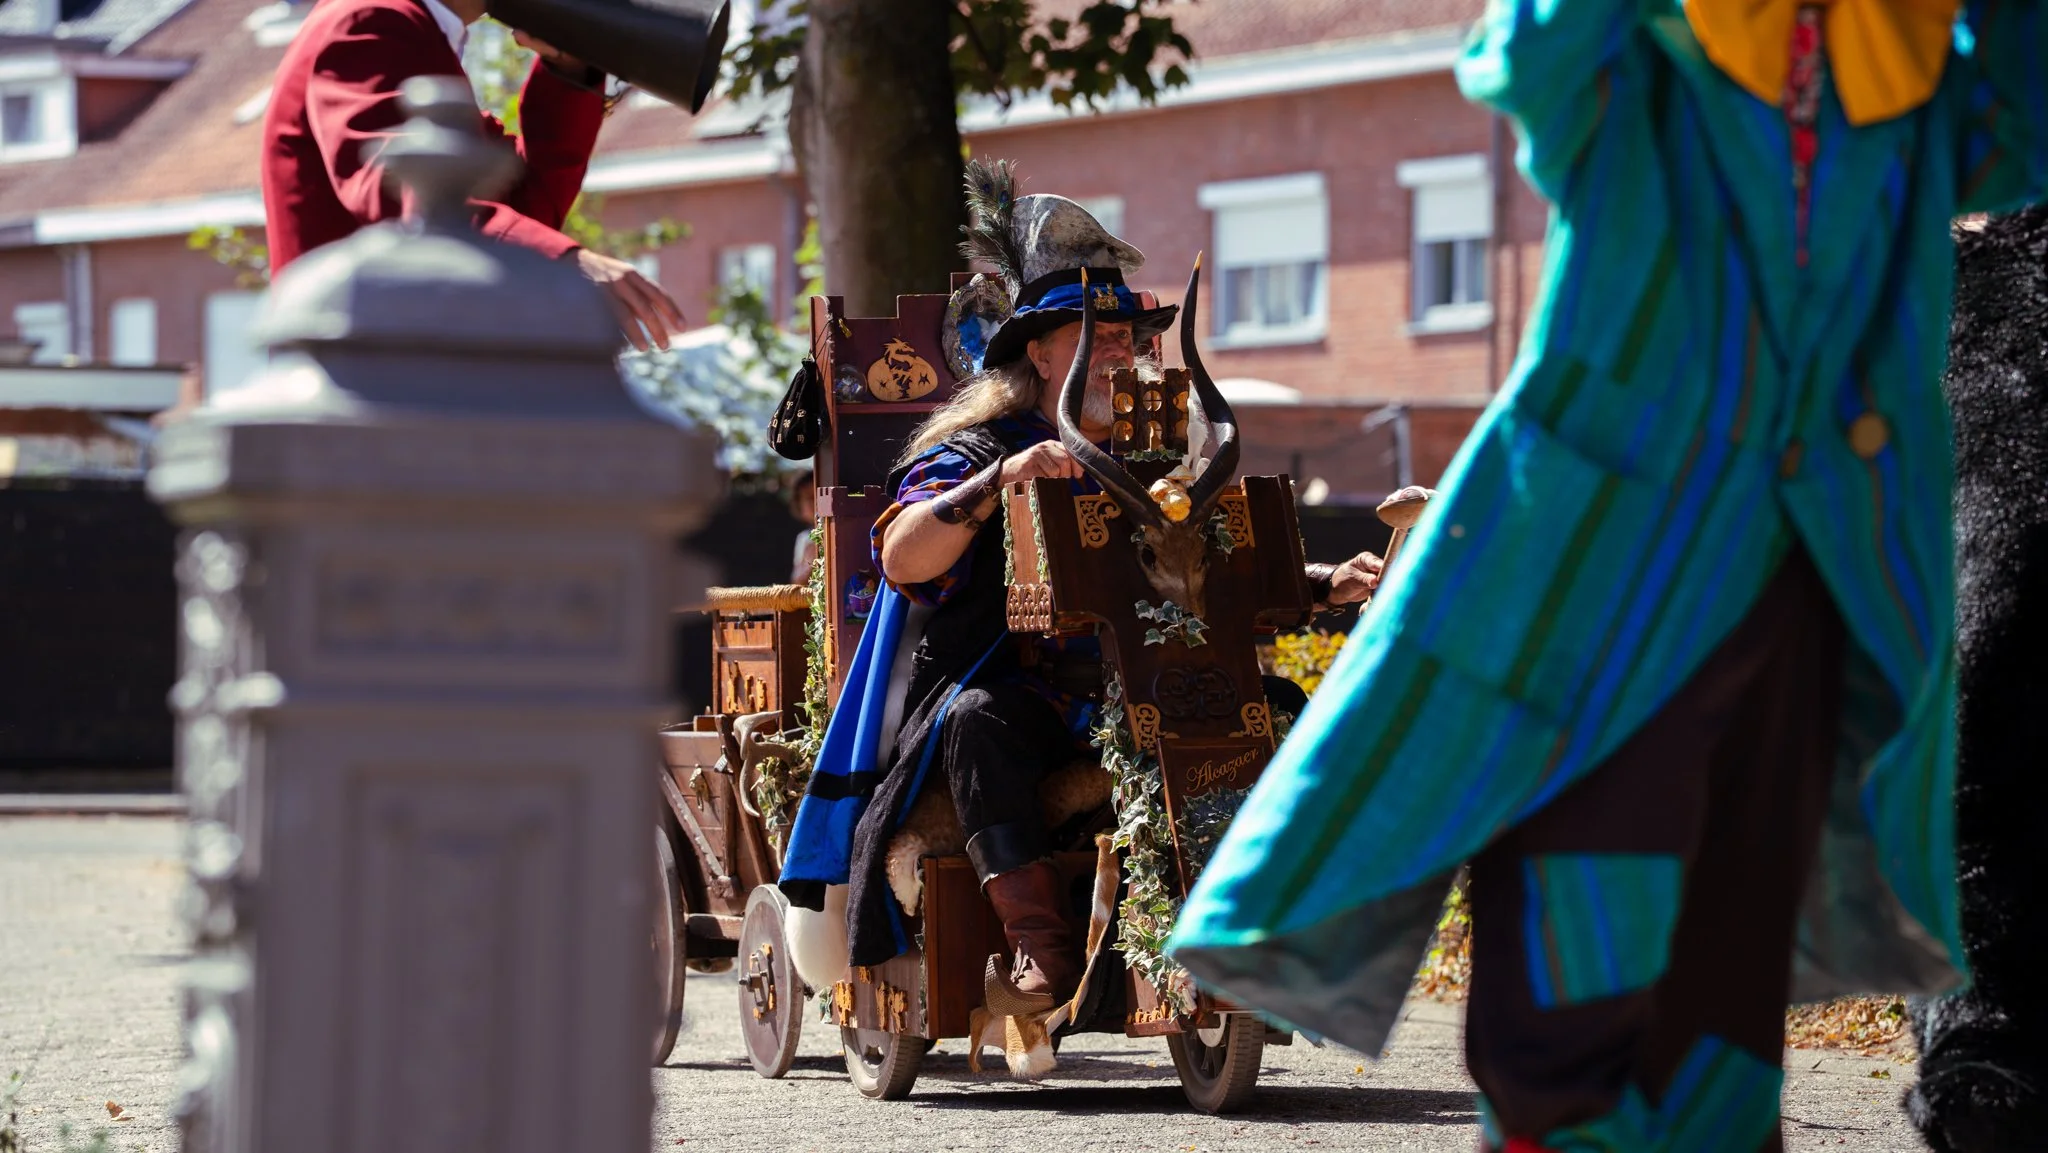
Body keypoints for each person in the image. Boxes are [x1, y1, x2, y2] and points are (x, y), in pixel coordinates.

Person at [1171, 2, 2048, 1149]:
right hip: (1590, 613)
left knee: (1710, 1044)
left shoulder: (1907, 107)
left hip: (1787, 625)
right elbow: (1528, 49)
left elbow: (2017, 117)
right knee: (1576, 1023)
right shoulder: (1626, 68)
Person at [778, 168, 1382, 1019]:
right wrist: (1002, 477)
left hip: (1142, 683)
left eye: (1133, 338)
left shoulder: (1159, 447)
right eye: (1097, 336)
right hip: (1024, 692)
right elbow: (905, 557)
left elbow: (1204, 561)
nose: (1123, 354)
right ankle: (1040, 949)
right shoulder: (977, 443)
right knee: (977, 718)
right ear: (1040, 351)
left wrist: (1325, 584)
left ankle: (1273, 925)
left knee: (1277, 702)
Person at [261, 0, 685, 350]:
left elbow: (526, 207)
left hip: (394, 382)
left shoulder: (414, 31)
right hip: (366, 390)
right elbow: (407, 189)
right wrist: (563, 261)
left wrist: (568, 72)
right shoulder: (371, 19)